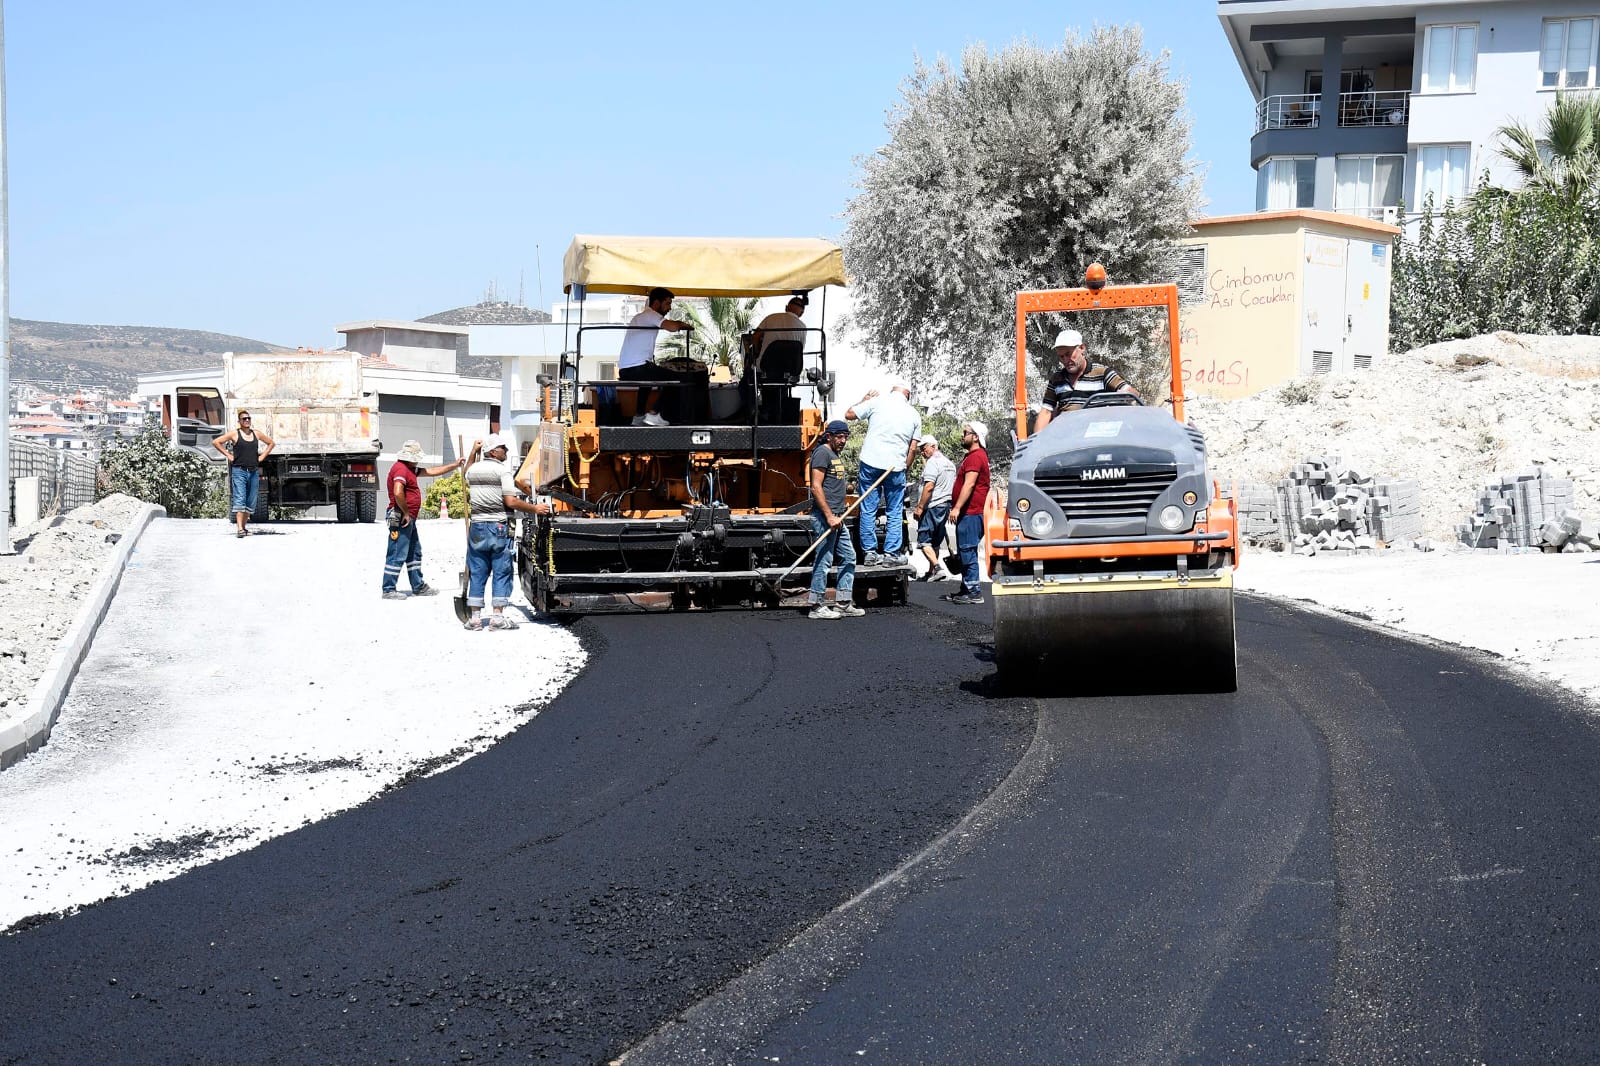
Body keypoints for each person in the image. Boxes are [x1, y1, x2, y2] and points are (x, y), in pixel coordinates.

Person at [462, 434, 550, 631]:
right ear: (493, 452)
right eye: (503, 447)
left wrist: (473, 451)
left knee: (477, 570)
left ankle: (475, 619)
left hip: (477, 527)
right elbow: (510, 501)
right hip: (498, 527)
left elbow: (466, 472)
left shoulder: (474, 470)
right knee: (502, 570)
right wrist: (535, 509)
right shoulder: (502, 471)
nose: (506, 450)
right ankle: (497, 618)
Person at [844, 378, 922, 566]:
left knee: (868, 509)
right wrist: (904, 468)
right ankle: (891, 554)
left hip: (870, 462)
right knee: (894, 510)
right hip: (895, 467)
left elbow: (849, 414)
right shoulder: (914, 414)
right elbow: (912, 448)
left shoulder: (876, 402)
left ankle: (870, 553)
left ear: (892, 390)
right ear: (908, 394)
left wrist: (864, 400)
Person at [383, 440, 464, 600]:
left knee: (414, 552)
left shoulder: (409, 469)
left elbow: (432, 471)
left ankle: (418, 586)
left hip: (408, 518)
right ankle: (388, 589)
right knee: (397, 552)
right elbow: (398, 492)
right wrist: (406, 512)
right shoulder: (401, 469)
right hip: (402, 517)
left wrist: (455, 465)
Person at [805, 420, 864, 620]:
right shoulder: (822, 453)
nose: (843, 440)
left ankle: (843, 602)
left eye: (845, 437)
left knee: (849, 557)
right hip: (825, 518)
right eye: (839, 436)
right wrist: (829, 516)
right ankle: (816, 606)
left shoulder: (834, 454)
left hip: (838, 517)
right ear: (828, 436)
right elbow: (816, 486)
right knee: (824, 560)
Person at [1033, 329, 1140, 432]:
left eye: (1069, 354)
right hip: (1066, 436)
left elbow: (1132, 393)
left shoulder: (1102, 373)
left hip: (1095, 434)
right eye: (1061, 357)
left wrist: (1125, 394)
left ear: (1082, 348)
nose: (1065, 360)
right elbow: (1046, 411)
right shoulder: (1056, 379)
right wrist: (1037, 440)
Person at [618, 286, 693, 427]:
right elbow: (671, 327)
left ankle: (639, 416)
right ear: (657, 303)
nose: (669, 308)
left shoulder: (640, 317)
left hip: (626, 369)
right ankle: (655, 414)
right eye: (667, 303)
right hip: (637, 368)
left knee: (648, 380)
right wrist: (682, 324)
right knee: (676, 379)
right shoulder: (650, 314)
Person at [943, 420, 991, 606]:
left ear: (976, 437)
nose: (962, 436)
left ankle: (973, 592)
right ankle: (966, 588)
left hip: (971, 513)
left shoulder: (975, 457)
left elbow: (969, 484)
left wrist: (957, 508)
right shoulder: (973, 456)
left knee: (967, 551)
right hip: (969, 513)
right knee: (965, 551)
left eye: (966, 433)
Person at [212, 409, 275, 538]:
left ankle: (244, 527)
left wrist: (262, 457)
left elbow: (271, 443)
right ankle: (240, 529)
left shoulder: (256, 434)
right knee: (240, 499)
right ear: (239, 421)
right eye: (244, 419)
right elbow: (216, 442)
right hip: (239, 471)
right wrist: (228, 455)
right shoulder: (234, 434)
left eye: (248, 418)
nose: (247, 420)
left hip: (253, 471)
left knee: (251, 500)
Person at [912, 439, 959, 581]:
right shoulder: (949, 464)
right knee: (935, 542)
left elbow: (929, 486)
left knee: (924, 540)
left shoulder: (932, 463)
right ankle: (931, 572)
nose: (922, 452)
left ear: (933, 446)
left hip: (932, 506)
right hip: (945, 506)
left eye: (924, 448)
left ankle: (938, 569)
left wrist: (920, 507)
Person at [748, 293, 809, 367]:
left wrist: (757, 352)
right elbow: (800, 349)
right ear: (802, 313)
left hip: (765, 366)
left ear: (786, 307)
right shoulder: (803, 328)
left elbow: (755, 337)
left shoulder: (771, 317)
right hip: (789, 368)